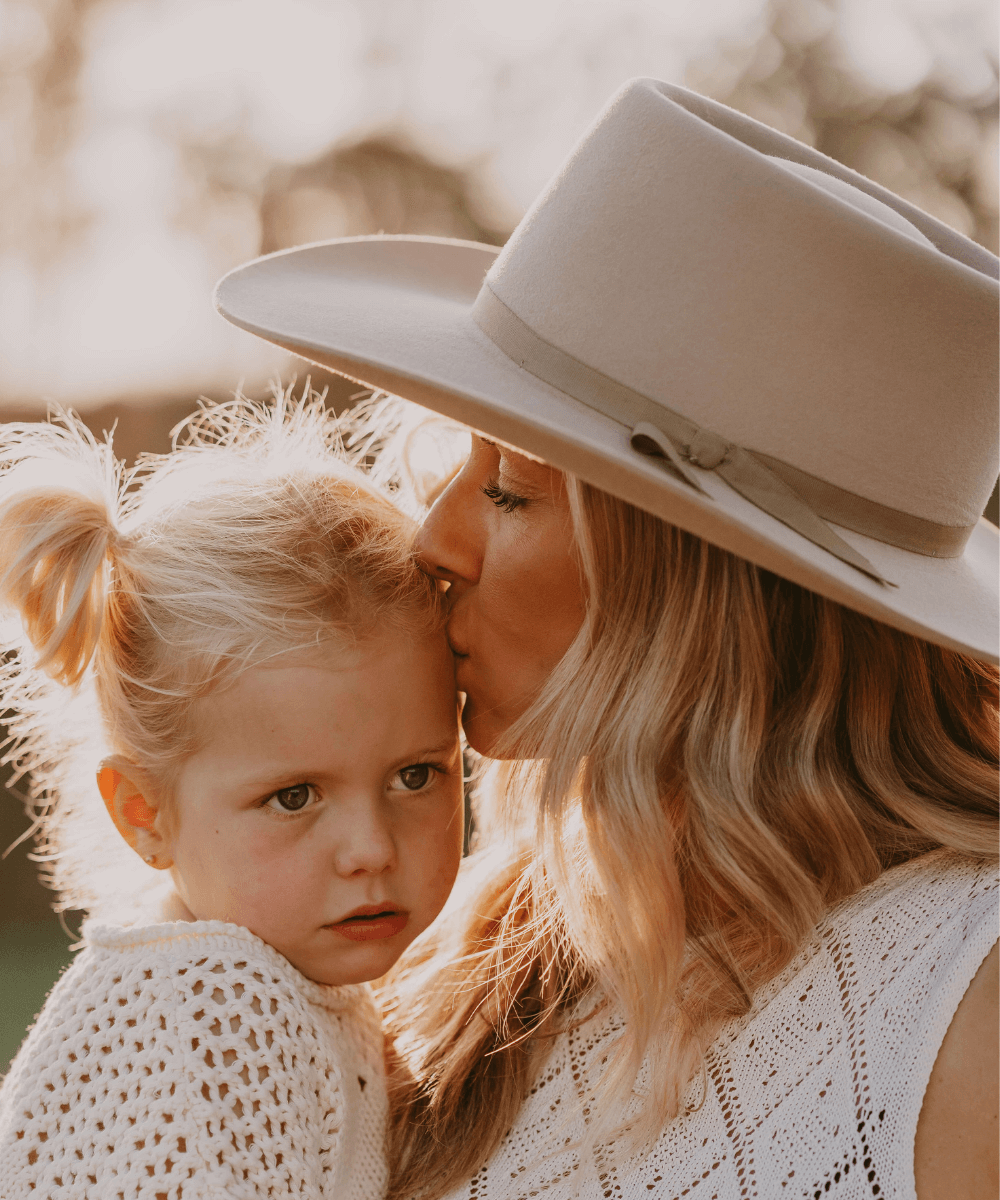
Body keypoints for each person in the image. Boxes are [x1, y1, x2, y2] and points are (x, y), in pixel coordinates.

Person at [216, 80, 999, 1200]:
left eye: (512, 494)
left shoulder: (963, 997)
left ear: (699, 591)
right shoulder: (489, 955)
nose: (432, 538)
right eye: (459, 468)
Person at [0, 398, 465, 1198]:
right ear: (144, 814)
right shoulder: (210, 1007)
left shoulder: (272, 979)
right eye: (293, 798)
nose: (372, 848)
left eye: (415, 775)